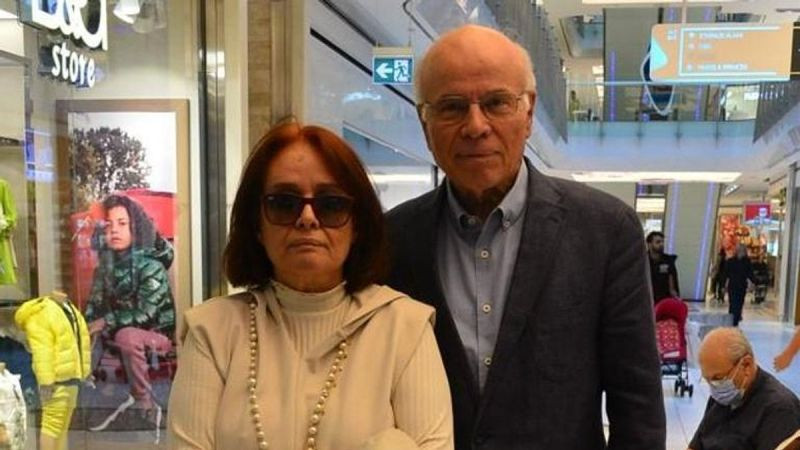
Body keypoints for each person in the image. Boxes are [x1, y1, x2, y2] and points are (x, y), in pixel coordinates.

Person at [386, 24, 665, 449]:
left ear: (529, 112)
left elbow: (638, 409)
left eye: (496, 103)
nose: (475, 126)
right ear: (426, 124)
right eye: (452, 107)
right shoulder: (392, 239)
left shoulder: (606, 231)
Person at [167, 121, 453, 450]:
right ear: (256, 224)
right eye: (284, 204)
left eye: (331, 205)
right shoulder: (211, 331)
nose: (307, 218)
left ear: (357, 225)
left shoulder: (405, 327)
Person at [85, 194, 176, 431]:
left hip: (157, 336)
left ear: (135, 228)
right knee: (87, 332)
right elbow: (93, 307)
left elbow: (147, 314)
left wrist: (107, 321)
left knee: (126, 336)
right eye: (108, 224)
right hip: (116, 332)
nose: (114, 230)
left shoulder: (152, 266)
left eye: (122, 223)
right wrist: (86, 326)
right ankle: (95, 398)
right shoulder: (103, 269)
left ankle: (144, 403)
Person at [688, 327, 800, 450]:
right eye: (708, 380)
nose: (714, 386)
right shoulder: (721, 397)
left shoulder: (779, 410)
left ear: (746, 365)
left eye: (718, 378)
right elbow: (695, 446)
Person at [15, 290, 91, 450]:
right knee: (52, 425)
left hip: (72, 377)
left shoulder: (70, 309)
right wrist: (46, 382)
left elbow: (79, 343)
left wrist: (85, 372)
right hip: (56, 380)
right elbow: (42, 350)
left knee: (62, 427)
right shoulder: (42, 313)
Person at [722, 243, 756, 327]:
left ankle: (735, 320)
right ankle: (733, 321)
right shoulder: (731, 261)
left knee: (739, 304)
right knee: (733, 303)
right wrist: (723, 285)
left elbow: (750, 273)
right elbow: (725, 274)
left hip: (741, 286)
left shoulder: (747, 262)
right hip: (733, 285)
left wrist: (753, 282)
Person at [647, 231, 680, 303]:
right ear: (649, 244)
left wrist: (675, 296)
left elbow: (672, 281)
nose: (661, 244)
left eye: (662, 242)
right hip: (647, 298)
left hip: (664, 299)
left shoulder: (668, 261)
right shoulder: (644, 260)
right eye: (658, 242)